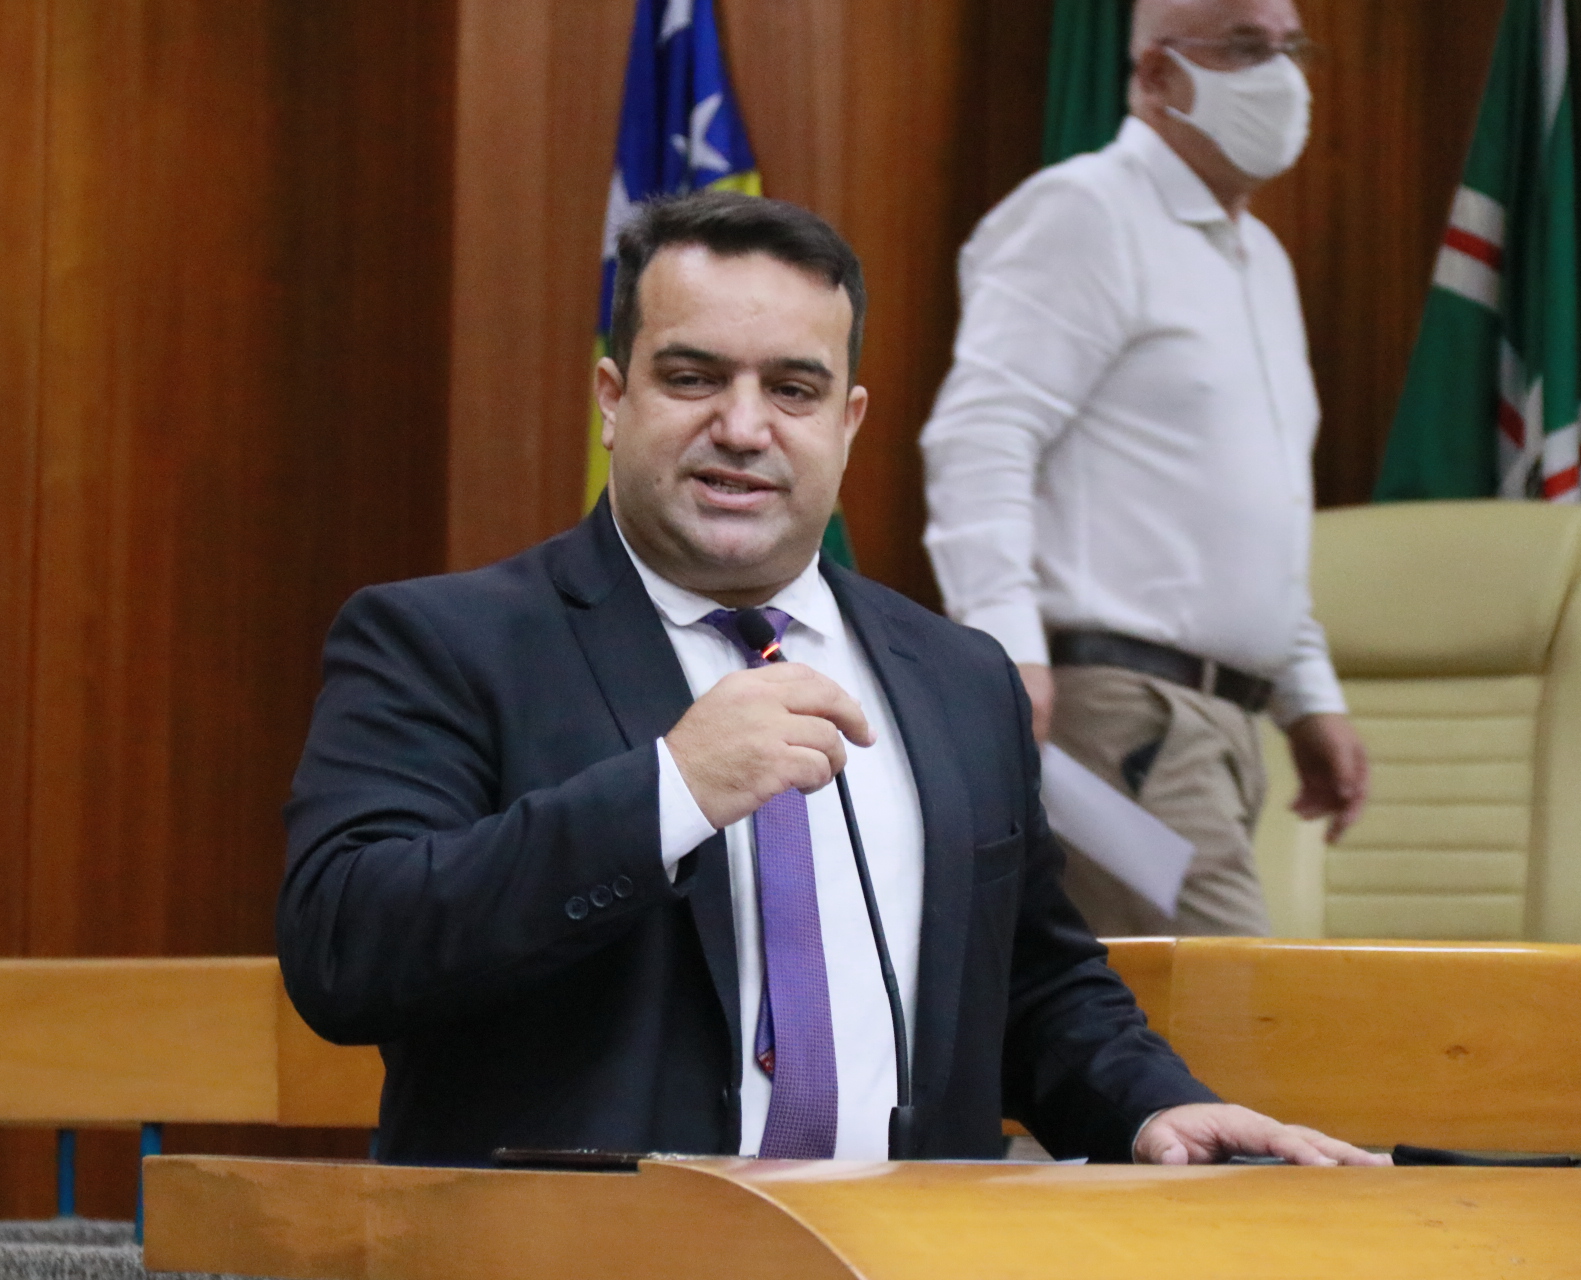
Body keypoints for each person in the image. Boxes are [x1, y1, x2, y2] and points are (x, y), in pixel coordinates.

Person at [280, 189, 1383, 1168]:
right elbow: (346, 948)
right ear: (613, 398)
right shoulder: (444, 641)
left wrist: (1152, 1107)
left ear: (848, 422)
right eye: (693, 377)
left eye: (793, 388)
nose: (743, 427)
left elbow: (1030, 982)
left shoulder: (959, 677)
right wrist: (669, 791)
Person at [919, 0, 1369, 938]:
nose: (1282, 76)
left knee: (1161, 1011)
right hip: (1120, 714)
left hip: (1225, 726)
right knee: (1223, 1007)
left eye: (1291, 48)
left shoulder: (1261, 259)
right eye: (1245, 46)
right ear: (1158, 74)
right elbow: (982, 435)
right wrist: (1005, 649)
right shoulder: (1086, 211)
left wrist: (1307, 697)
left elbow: (1254, 508)